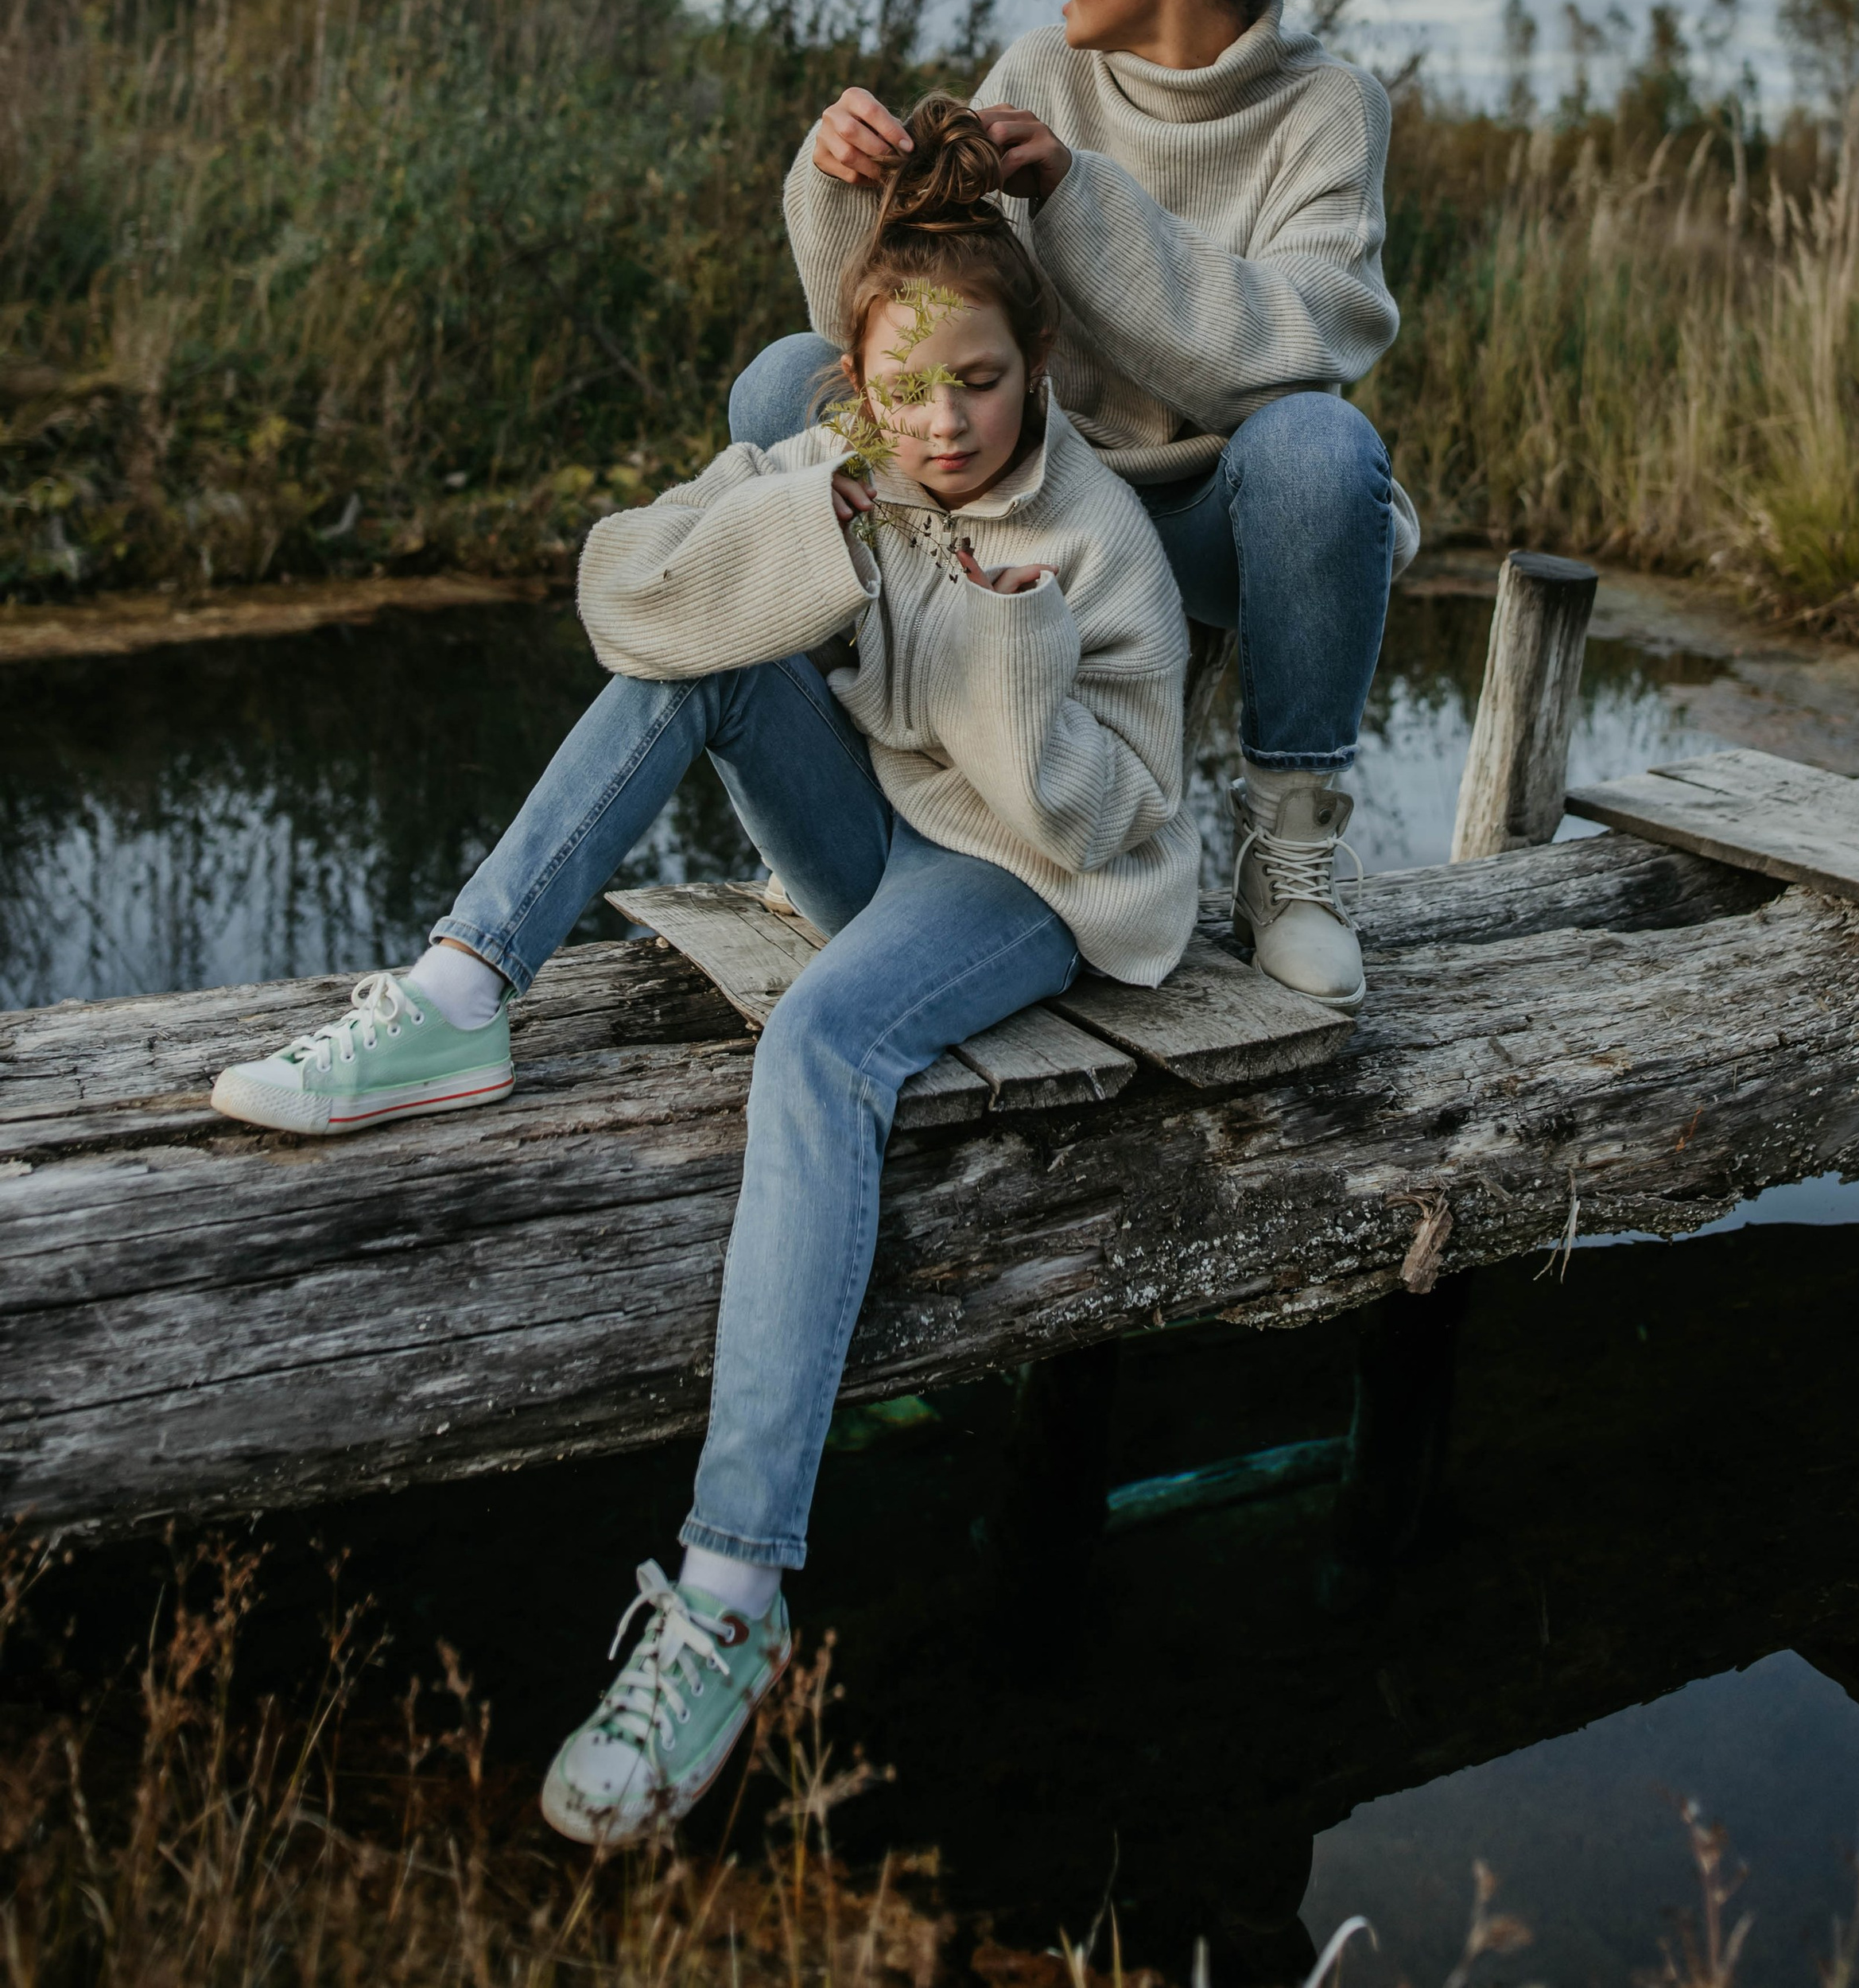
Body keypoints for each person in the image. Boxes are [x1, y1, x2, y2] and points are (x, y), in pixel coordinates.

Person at [210, 99, 1195, 1842]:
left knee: (821, 1046)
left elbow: (1107, 824)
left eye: (975, 382)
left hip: (1042, 885)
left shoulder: (1097, 540)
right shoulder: (856, 459)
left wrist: (1016, 638)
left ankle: (729, 1599)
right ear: (861, 382)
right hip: (891, 845)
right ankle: (458, 990)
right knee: (705, 671)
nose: (944, 423)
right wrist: (787, 523)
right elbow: (629, 608)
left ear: (1032, 363)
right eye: (906, 391)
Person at [743, 0, 1418, 1011]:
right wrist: (830, 184)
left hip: (1205, 512)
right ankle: (838, 804)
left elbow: (1304, 341)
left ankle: (1290, 854)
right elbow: (923, 339)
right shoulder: (1042, 73)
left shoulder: (1329, 107)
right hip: (1036, 489)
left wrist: (1082, 200)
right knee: (785, 387)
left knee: (1327, 453)